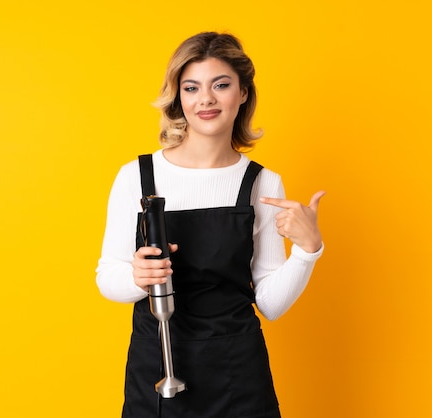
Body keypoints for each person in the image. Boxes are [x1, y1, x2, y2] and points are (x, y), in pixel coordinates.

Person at [96, 32, 324, 418]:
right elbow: (107, 279)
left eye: (221, 85)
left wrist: (307, 250)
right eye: (191, 87)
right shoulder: (136, 176)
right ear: (178, 97)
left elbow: (269, 303)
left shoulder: (262, 183)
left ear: (243, 93)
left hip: (237, 372)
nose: (206, 99)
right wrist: (138, 277)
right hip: (157, 363)